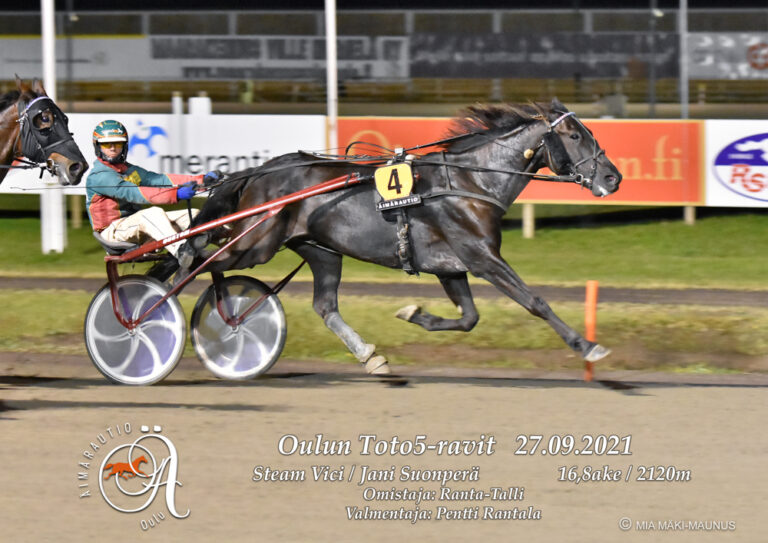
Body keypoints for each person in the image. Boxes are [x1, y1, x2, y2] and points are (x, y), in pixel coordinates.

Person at [85, 120, 222, 265]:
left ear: (124, 146)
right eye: (107, 144)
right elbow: (136, 194)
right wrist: (176, 194)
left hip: (134, 226)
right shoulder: (99, 176)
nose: (113, 148)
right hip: (112, 233)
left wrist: (200, 180)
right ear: (98, 146)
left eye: (117, 144)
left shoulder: (126, 169)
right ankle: (182, 252)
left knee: (194, 215)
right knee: (152, 213)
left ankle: (227, 241)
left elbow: (158, 179)